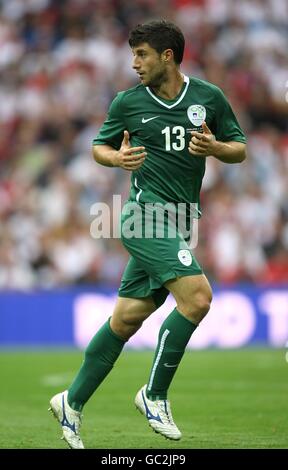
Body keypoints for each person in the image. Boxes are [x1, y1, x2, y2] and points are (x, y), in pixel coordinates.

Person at [49, 19, 247, 449]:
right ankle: (154, 394)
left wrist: (216, 148)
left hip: (180, 222)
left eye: (142, 54)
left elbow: (239, 147)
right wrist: (116, 159)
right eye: (132, 54)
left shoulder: (208, 97)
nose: (134, 63)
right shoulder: (127, 103)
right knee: (198, 298)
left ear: (167, 57)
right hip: (143, 216)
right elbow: (99, 146)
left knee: (126, 319)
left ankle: (72, 401)